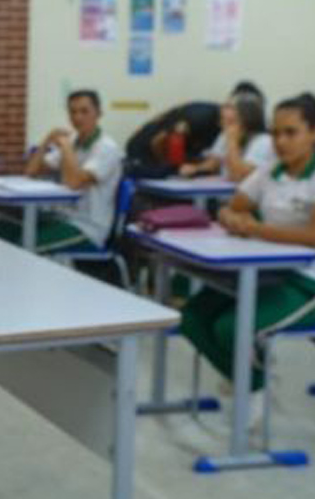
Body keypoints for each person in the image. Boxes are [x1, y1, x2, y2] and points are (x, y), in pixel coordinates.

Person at [181, 93, 315, 409]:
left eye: (291, 132)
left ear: (313, 133)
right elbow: (233, 207)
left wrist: (254, 228)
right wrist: (230, 218)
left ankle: (252, 394)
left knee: (234, 328)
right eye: (275, 132)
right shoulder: (270, 171)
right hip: (266, 271)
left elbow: (312, 237)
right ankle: (253, 383)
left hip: (307, 282)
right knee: (192, 317)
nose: (280, 141)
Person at [11, 89, 123, 252]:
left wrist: (66, 147)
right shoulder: (72, 142)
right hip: (63, 218)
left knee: (25, 243)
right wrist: (46, 141)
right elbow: (31, 172)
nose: (77, 118)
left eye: (84, 111)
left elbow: (73, 183)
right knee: (5, 229)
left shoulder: (107, 148)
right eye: (73, 112)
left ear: (98, 113)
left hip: (87, 227)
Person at [179, 93, 274, 182]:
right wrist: (196, 169)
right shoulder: (225, 134)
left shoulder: (263, 141)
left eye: (229, 107)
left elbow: (238, 176)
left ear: (246, 117)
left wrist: (232, 142)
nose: (222, 109)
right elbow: (213, 163)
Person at [124, 101, 220, 179]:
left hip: (158, 146)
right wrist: (167, 166)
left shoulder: (216, 120)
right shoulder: (201, 118)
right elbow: (158, 141)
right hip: (145, 151)